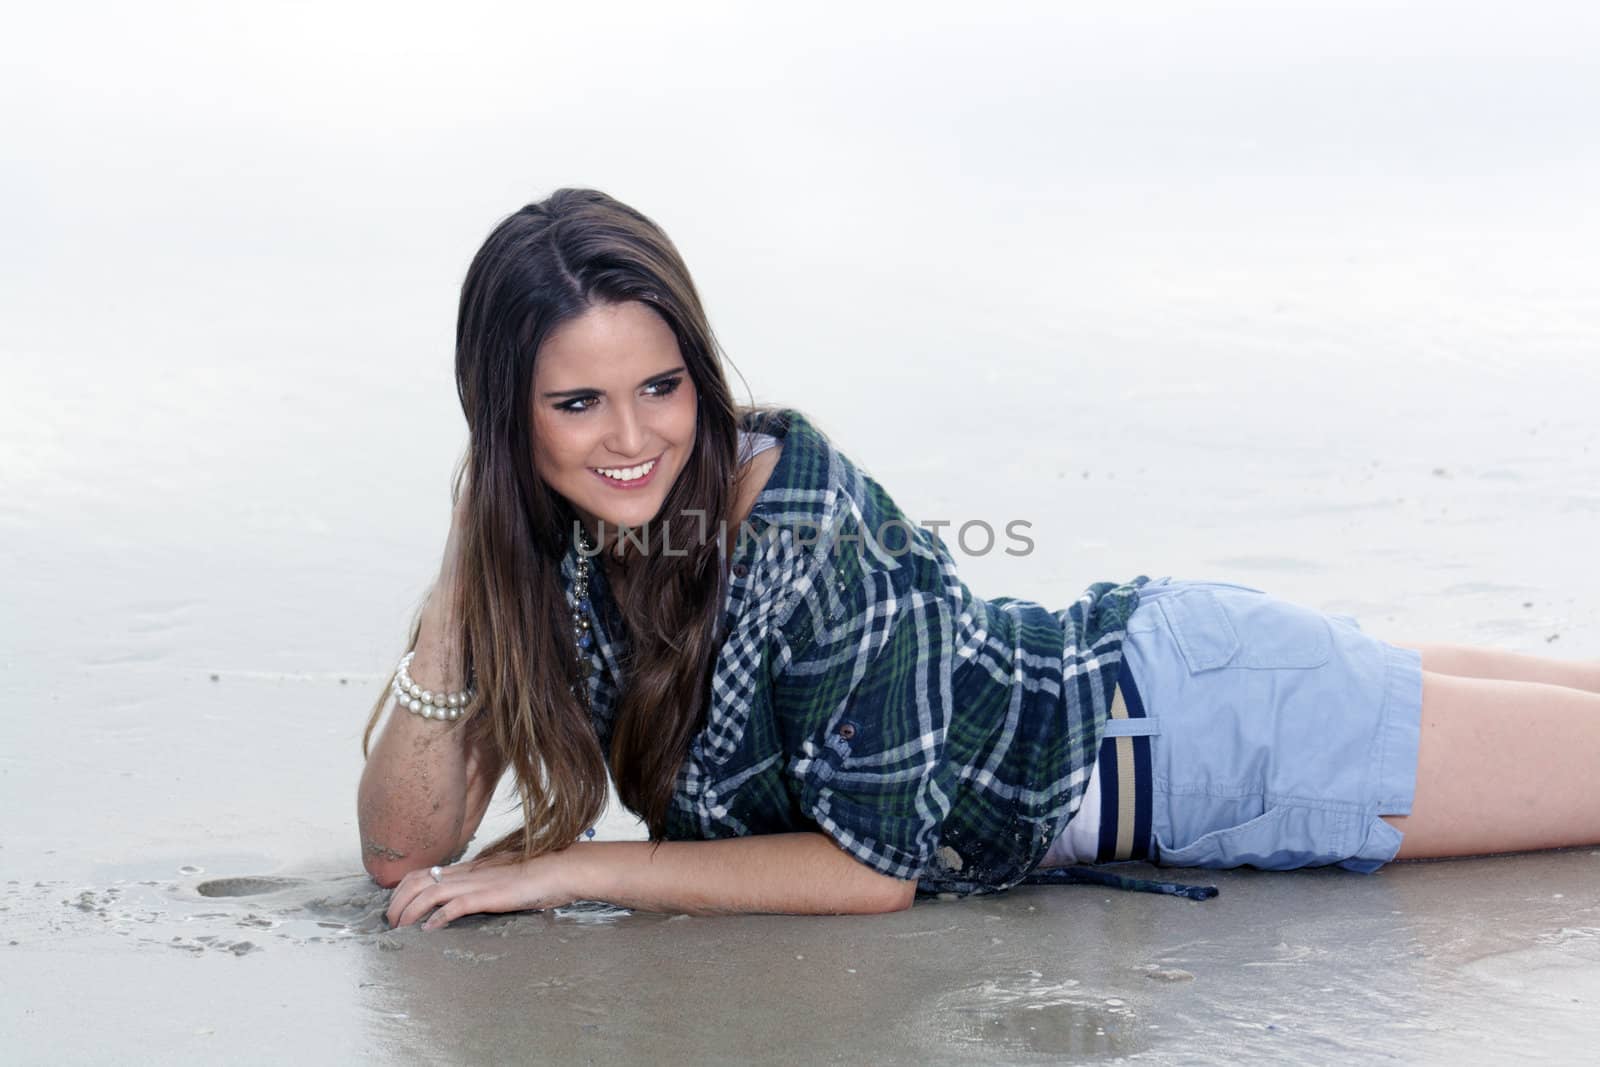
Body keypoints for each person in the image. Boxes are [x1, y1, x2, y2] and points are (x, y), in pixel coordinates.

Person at [358, 188, 1600, 931]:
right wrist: (470, 572)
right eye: (577, 404)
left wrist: (582, 869)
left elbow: (867, 874)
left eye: (662, 385)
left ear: (699, 368)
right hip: (1168, 671)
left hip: (1216, 736)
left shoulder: (812, 534)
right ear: (504, 414)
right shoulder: (562, 547)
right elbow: (405, 850)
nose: (632, 438)